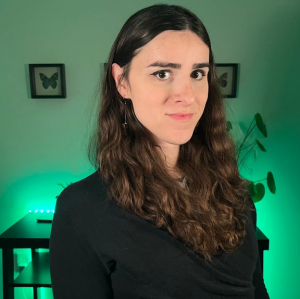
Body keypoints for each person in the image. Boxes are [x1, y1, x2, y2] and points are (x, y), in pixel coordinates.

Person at [49, 4, 270, 299]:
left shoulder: (234, 194)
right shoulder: (82, 209)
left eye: (198, 73)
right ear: (122, 81)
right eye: (163, 73)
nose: (187, 96)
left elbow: (257, 291)